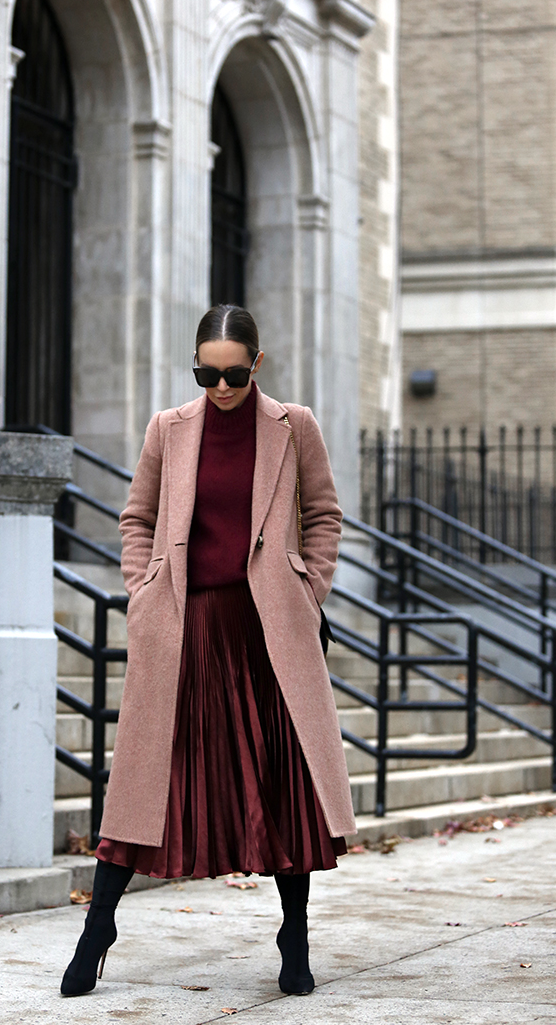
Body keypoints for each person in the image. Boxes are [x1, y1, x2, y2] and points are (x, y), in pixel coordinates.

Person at [61, 304, 355, 998]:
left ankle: (295, 933)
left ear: (257, 364)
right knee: (146, 778)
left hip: (267, 631)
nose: (219, 387)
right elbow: (137, 517)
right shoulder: (170, 428)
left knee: (283, 784)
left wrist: (308, 591)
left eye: (231, 373)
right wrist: (144, 587)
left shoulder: (295, 427)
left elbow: (325, 514)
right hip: (184, 627)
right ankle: (97, 928)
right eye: (205, 373)